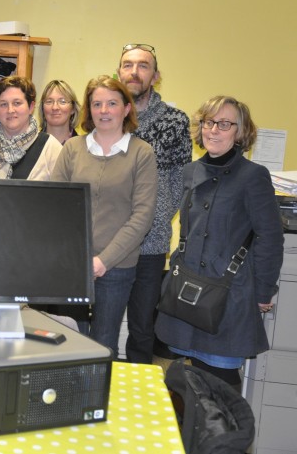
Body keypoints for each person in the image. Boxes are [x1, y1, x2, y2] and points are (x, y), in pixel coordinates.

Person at [155, 96, 283, 388]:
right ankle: (187, 435)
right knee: (181, 385)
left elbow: (271, 238)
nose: (213, 130)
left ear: (240, 131)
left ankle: (223, 436)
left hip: (228, 296)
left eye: (224, 124)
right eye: (208, 122)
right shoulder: (190, 172)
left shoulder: (253, 177)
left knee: (219, 387)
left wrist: (264, 292)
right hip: (186, 292)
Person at [51, 75, 157, 358]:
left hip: (116, 268)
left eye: (112, 103)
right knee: (67, 339)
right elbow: (55, 206)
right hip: (71, 266)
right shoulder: (73, 149)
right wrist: (77, 258)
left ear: (126, 109)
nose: (104, 110)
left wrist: (102, 261)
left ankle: (95, 402)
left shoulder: (141, 154)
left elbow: (142, 217)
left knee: (102, 345)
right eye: (97, 104)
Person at [117, 43, 192, 364]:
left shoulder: (174, 121)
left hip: (150, 243)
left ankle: (135, 402)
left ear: (156, 76)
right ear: (118, 73)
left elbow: (180, 180)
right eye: (128, 65)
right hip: (106, 242)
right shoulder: (106, 115)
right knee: (100, 324)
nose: (134, 72)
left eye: (143, 66)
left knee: (142, 329)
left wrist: (155, 217)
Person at [0, 76, 62, 181]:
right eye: (3, 104)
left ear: (31, 107)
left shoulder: (51, 148)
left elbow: (62, 195)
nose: (10, 110)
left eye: (17, 103)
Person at [37, 79, 82, 144]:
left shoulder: (83, 148)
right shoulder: (29, 147)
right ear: (42, 108)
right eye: (49, 101)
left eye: (62, 101)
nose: (55, 107)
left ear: (73, 108)